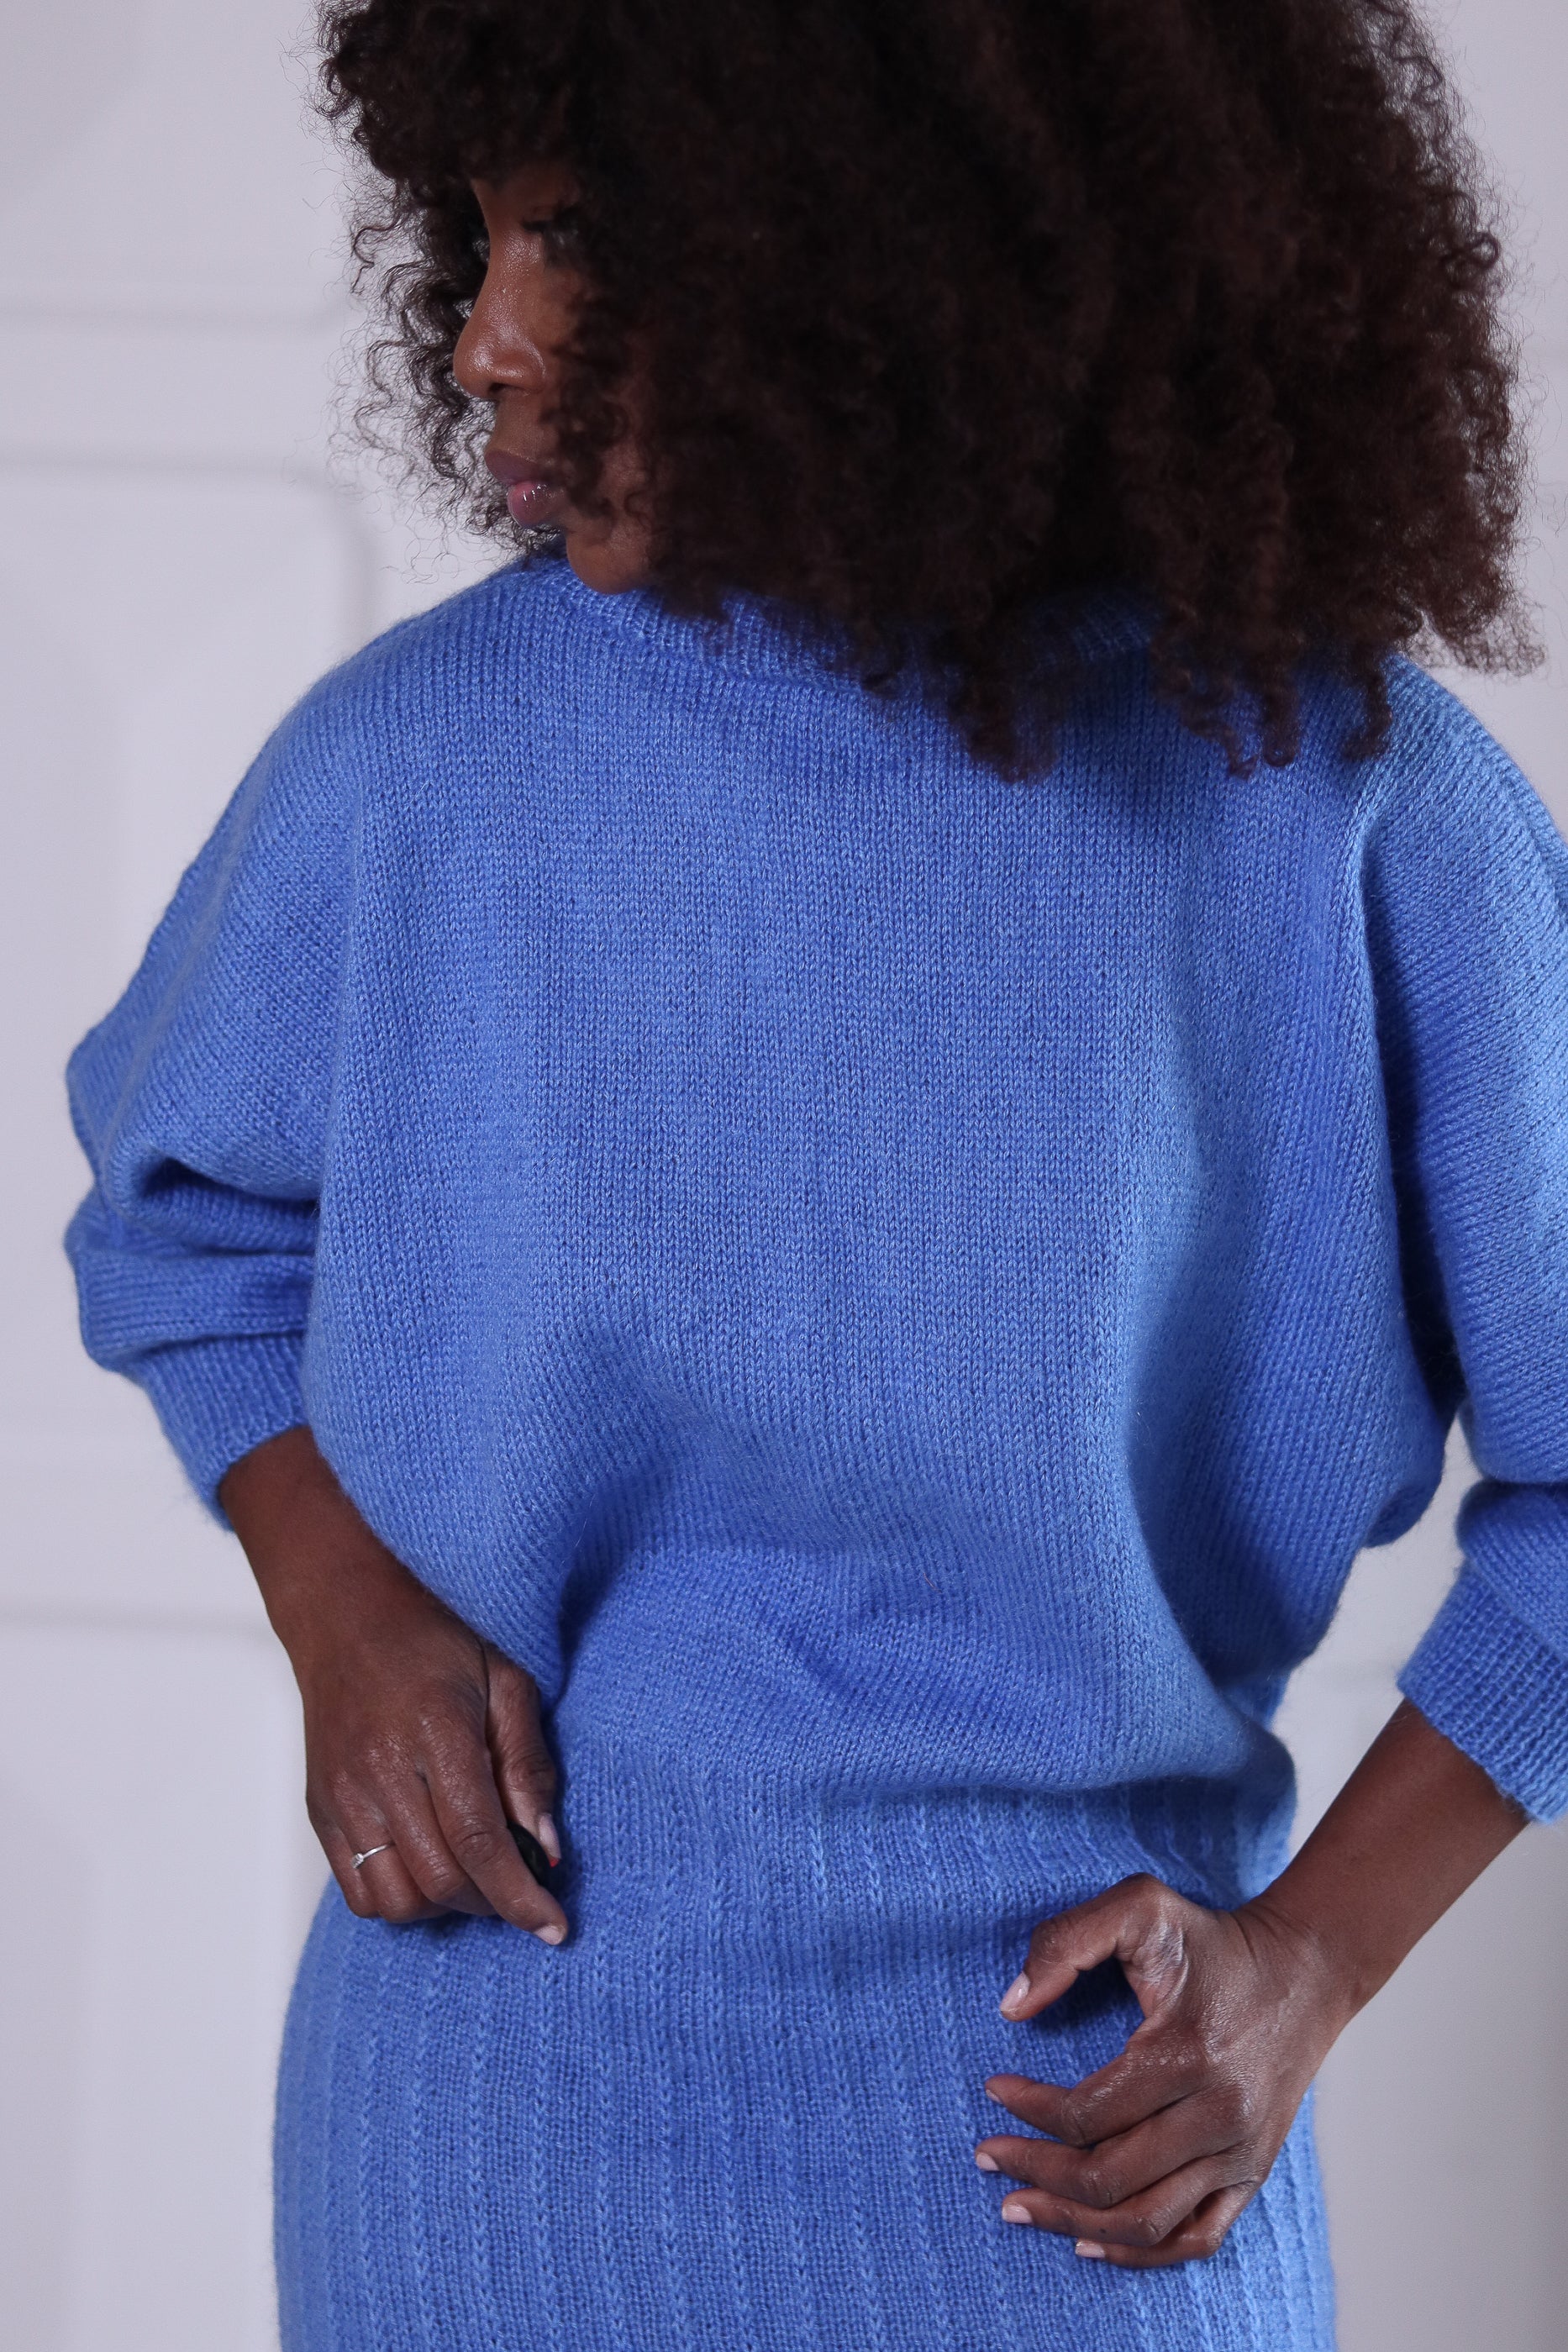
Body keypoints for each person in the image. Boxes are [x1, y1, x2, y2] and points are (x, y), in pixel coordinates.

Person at [62, 2, 1567, 2345]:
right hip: (481, 2155)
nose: (479, 342)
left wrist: (1311, 1965)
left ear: (885, 251)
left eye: (573, 239)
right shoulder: (412, 770)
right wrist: (338, 1602)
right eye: (476, 240)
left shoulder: (1341, 806)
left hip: (1089, 2165)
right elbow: (183, 1222)